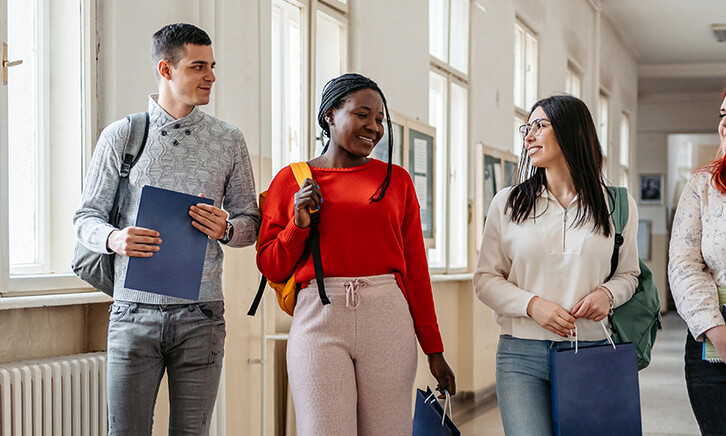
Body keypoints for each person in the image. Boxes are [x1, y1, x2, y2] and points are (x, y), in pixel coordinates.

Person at [73, 23, 260, 435]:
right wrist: (114, 238)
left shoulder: (228, 141)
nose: (211, 76)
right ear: (166, 69)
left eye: (212, 66)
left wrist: (227, 228)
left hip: (202, 317)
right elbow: (85, 219)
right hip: (132, 315)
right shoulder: (122, 136)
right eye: (198, 67)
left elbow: (252, 223)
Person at [256, 73, 456, 435]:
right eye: (362, 114)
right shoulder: (291, 180)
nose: (374, 127)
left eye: (380, 119)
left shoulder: (397, 181)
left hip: (388, 319)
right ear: (330, 114)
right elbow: (270, 263)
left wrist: (434, 348)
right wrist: (298, 224)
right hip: (319, 317)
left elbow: (415, 271)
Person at [473, 95, 640, 435]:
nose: (529, 136)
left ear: (571, 132)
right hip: (521, 356)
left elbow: (629, 274)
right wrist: (532, 305)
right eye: (527, 128)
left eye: (540, 126)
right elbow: (486, 279)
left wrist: (607, 294)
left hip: (591, 349)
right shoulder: (508, 203)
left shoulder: (616, 204)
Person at [668, 90, 726, 436]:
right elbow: (684, 262)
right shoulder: (703, 186)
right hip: (713, 332)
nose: (724, 124)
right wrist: (718, 333)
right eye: (722, 113)